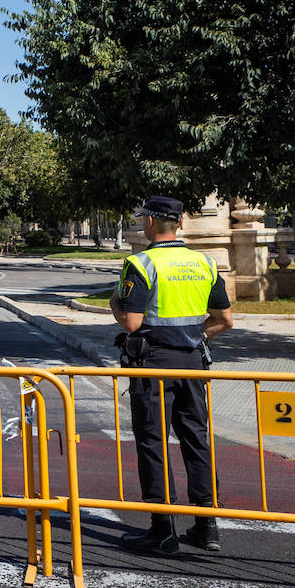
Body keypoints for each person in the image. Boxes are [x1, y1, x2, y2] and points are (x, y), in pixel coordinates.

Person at [110, 195, 234, 556]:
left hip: (153, 365)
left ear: (149, 222)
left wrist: (115, 305)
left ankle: (162, 530)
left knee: (153, 441)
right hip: (194, 362)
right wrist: (194, 336)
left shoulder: (140, 263)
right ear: (179, 224)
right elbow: (225, 319)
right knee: (197, 439)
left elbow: (132, 321)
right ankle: (206, 526)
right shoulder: (205, 263)